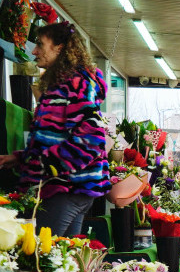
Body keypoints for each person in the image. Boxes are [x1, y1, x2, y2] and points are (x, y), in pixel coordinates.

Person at [0, 22, 110, 236]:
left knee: (40, 258)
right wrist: (22, 158)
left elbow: (92, 139)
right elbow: (56, 137)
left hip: (65, 188)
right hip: (72, 187)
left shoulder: (75, 83)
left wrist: (46, 165)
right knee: (63, 258)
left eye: (40, 44)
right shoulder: (69, 82)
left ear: (59, 48)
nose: (34, 51)